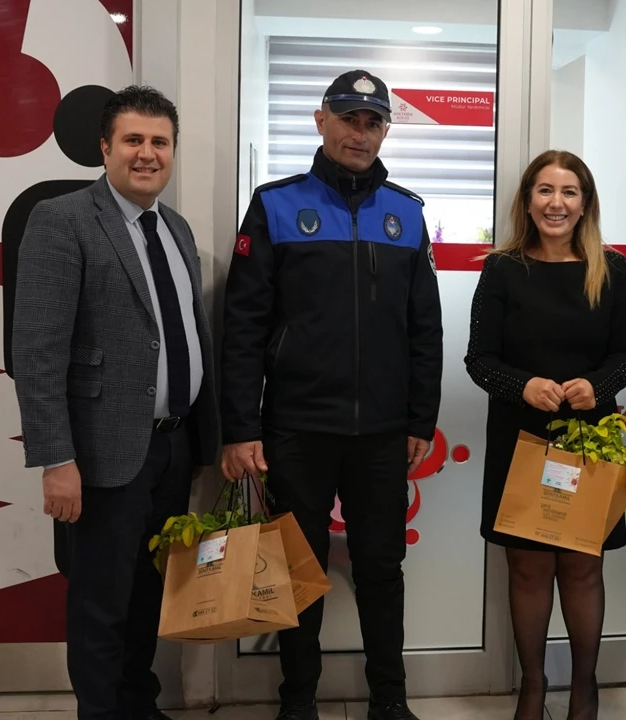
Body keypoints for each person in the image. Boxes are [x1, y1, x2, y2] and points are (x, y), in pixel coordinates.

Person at [219, 69, 443, 720]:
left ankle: (389, 700)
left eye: (373, 122)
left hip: (381, 433)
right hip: (297, 428)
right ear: (322, 121)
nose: (360, 133)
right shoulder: (276, 206)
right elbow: (243, 326)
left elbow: (424, 328)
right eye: (348, 119)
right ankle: (298, 701)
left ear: (384, 132)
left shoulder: (406, 213)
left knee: (381, 570)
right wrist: (241, 427)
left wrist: (419, 419)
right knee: (298, 569)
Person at [11, 85, 219, 720]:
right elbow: (38, 352)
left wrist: (204, 442)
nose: (147, 153)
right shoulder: (63, 220)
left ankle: (138, 705)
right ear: (105, 148)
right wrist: (56, 460)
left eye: (160, 142)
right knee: (101, 602)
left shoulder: (175, 228)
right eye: (133, 140)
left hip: (173, 448)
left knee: (148, 593)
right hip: (103, 454)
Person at [465, 150, 626, 720]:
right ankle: (533, 688)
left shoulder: (611, 269)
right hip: (521, 437)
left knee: (582, 568)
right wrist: (523, 385)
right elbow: (479, 359)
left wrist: (598, 385)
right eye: (545, 190)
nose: (556, 203)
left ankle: (585, 689)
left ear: (585, 203)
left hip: (589, 438)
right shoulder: (501, 269)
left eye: (569, 192)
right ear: (527, 200)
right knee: (528, 567)